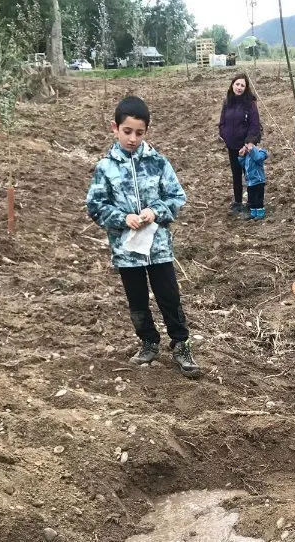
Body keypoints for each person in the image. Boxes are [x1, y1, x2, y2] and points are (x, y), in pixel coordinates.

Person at [86, 95, 201, 379]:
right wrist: (121, 218)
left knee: (169, 296)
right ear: (115, 128)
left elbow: (176, 196)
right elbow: (96, 205)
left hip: (158, 247)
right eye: (127, 132)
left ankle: (181, 344)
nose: (133, 138)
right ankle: (148, 341)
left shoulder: (158, 163)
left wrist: (155, 211)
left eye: (139, 133)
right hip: (127, 250)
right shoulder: (105, 168)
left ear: (146, 132)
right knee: (136, 299)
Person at [218, 73, 262, 217]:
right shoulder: (227, 102)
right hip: (232, 146)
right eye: (237, 84)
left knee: (249, 175)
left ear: (246, 88)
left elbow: (254, 125)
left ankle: (251, 203)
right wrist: (225, 136)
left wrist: (248, 143)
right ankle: (237, 202)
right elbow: (222, 123)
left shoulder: (250, 103)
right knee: (236, 174)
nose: (239, 87)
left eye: (242, 85)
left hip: (246, 148)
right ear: (232, 85)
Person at [238, 145, 268, 220]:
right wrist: (241, 156)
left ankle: (260, 213)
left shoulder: (259, 153)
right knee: (251, 198)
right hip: (250, 182)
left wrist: (253, 150)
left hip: (258, 181)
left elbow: (258, 158)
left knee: (258, 198)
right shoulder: (247, 156)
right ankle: (253, 213)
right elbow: (243, 165)